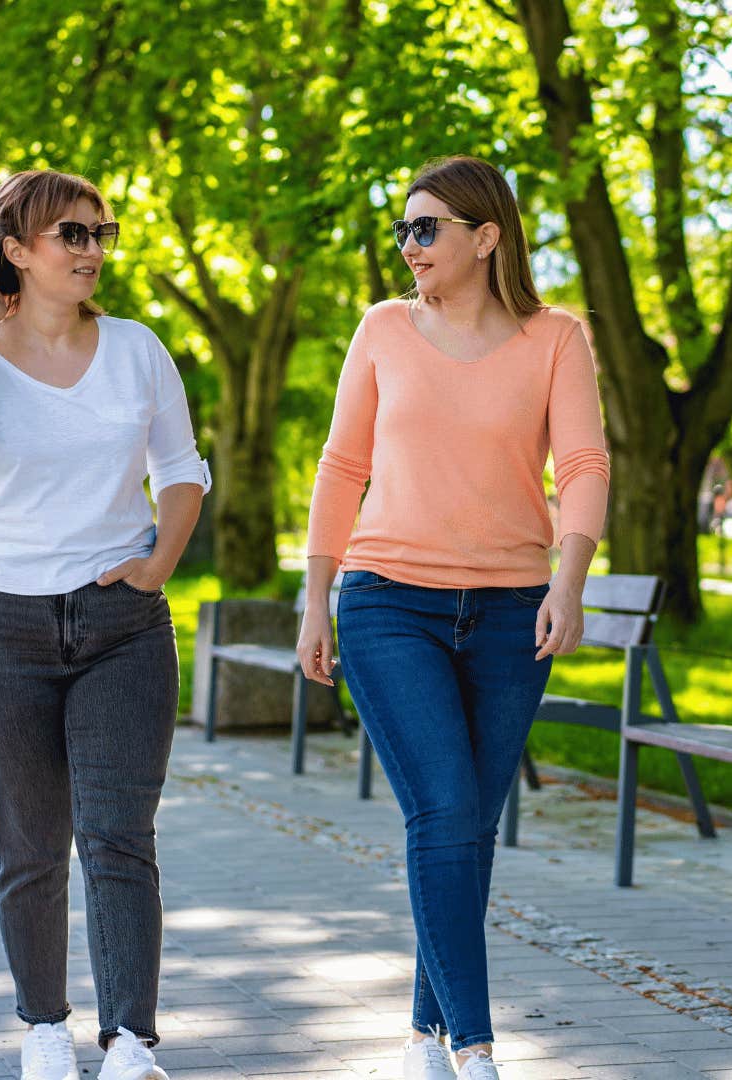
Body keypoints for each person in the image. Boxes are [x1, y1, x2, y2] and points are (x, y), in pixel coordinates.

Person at [297, 156, 610, 1079]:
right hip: (390, 604)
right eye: (403, 229)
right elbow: (339, 467)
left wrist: (571, 580)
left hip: (515, 613)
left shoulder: (556, 337)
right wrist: (316, 598)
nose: (410, 245)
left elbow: (584, 465)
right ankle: (475, 1048)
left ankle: (425, 1032)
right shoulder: (384, 329)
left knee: (472, 825)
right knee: (442, 808)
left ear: (487, 236)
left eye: (426, 227)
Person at [0, 169, 209, 1080]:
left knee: (120, 835)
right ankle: (44, 1027)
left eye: (99, 233)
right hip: (0, 628)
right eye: (70, 235)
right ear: (17, 250)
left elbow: (182, 468)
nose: (90, 250)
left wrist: (158, 564)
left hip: (121, 623)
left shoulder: (134, 348)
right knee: (30, 841)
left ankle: (130, 1041)